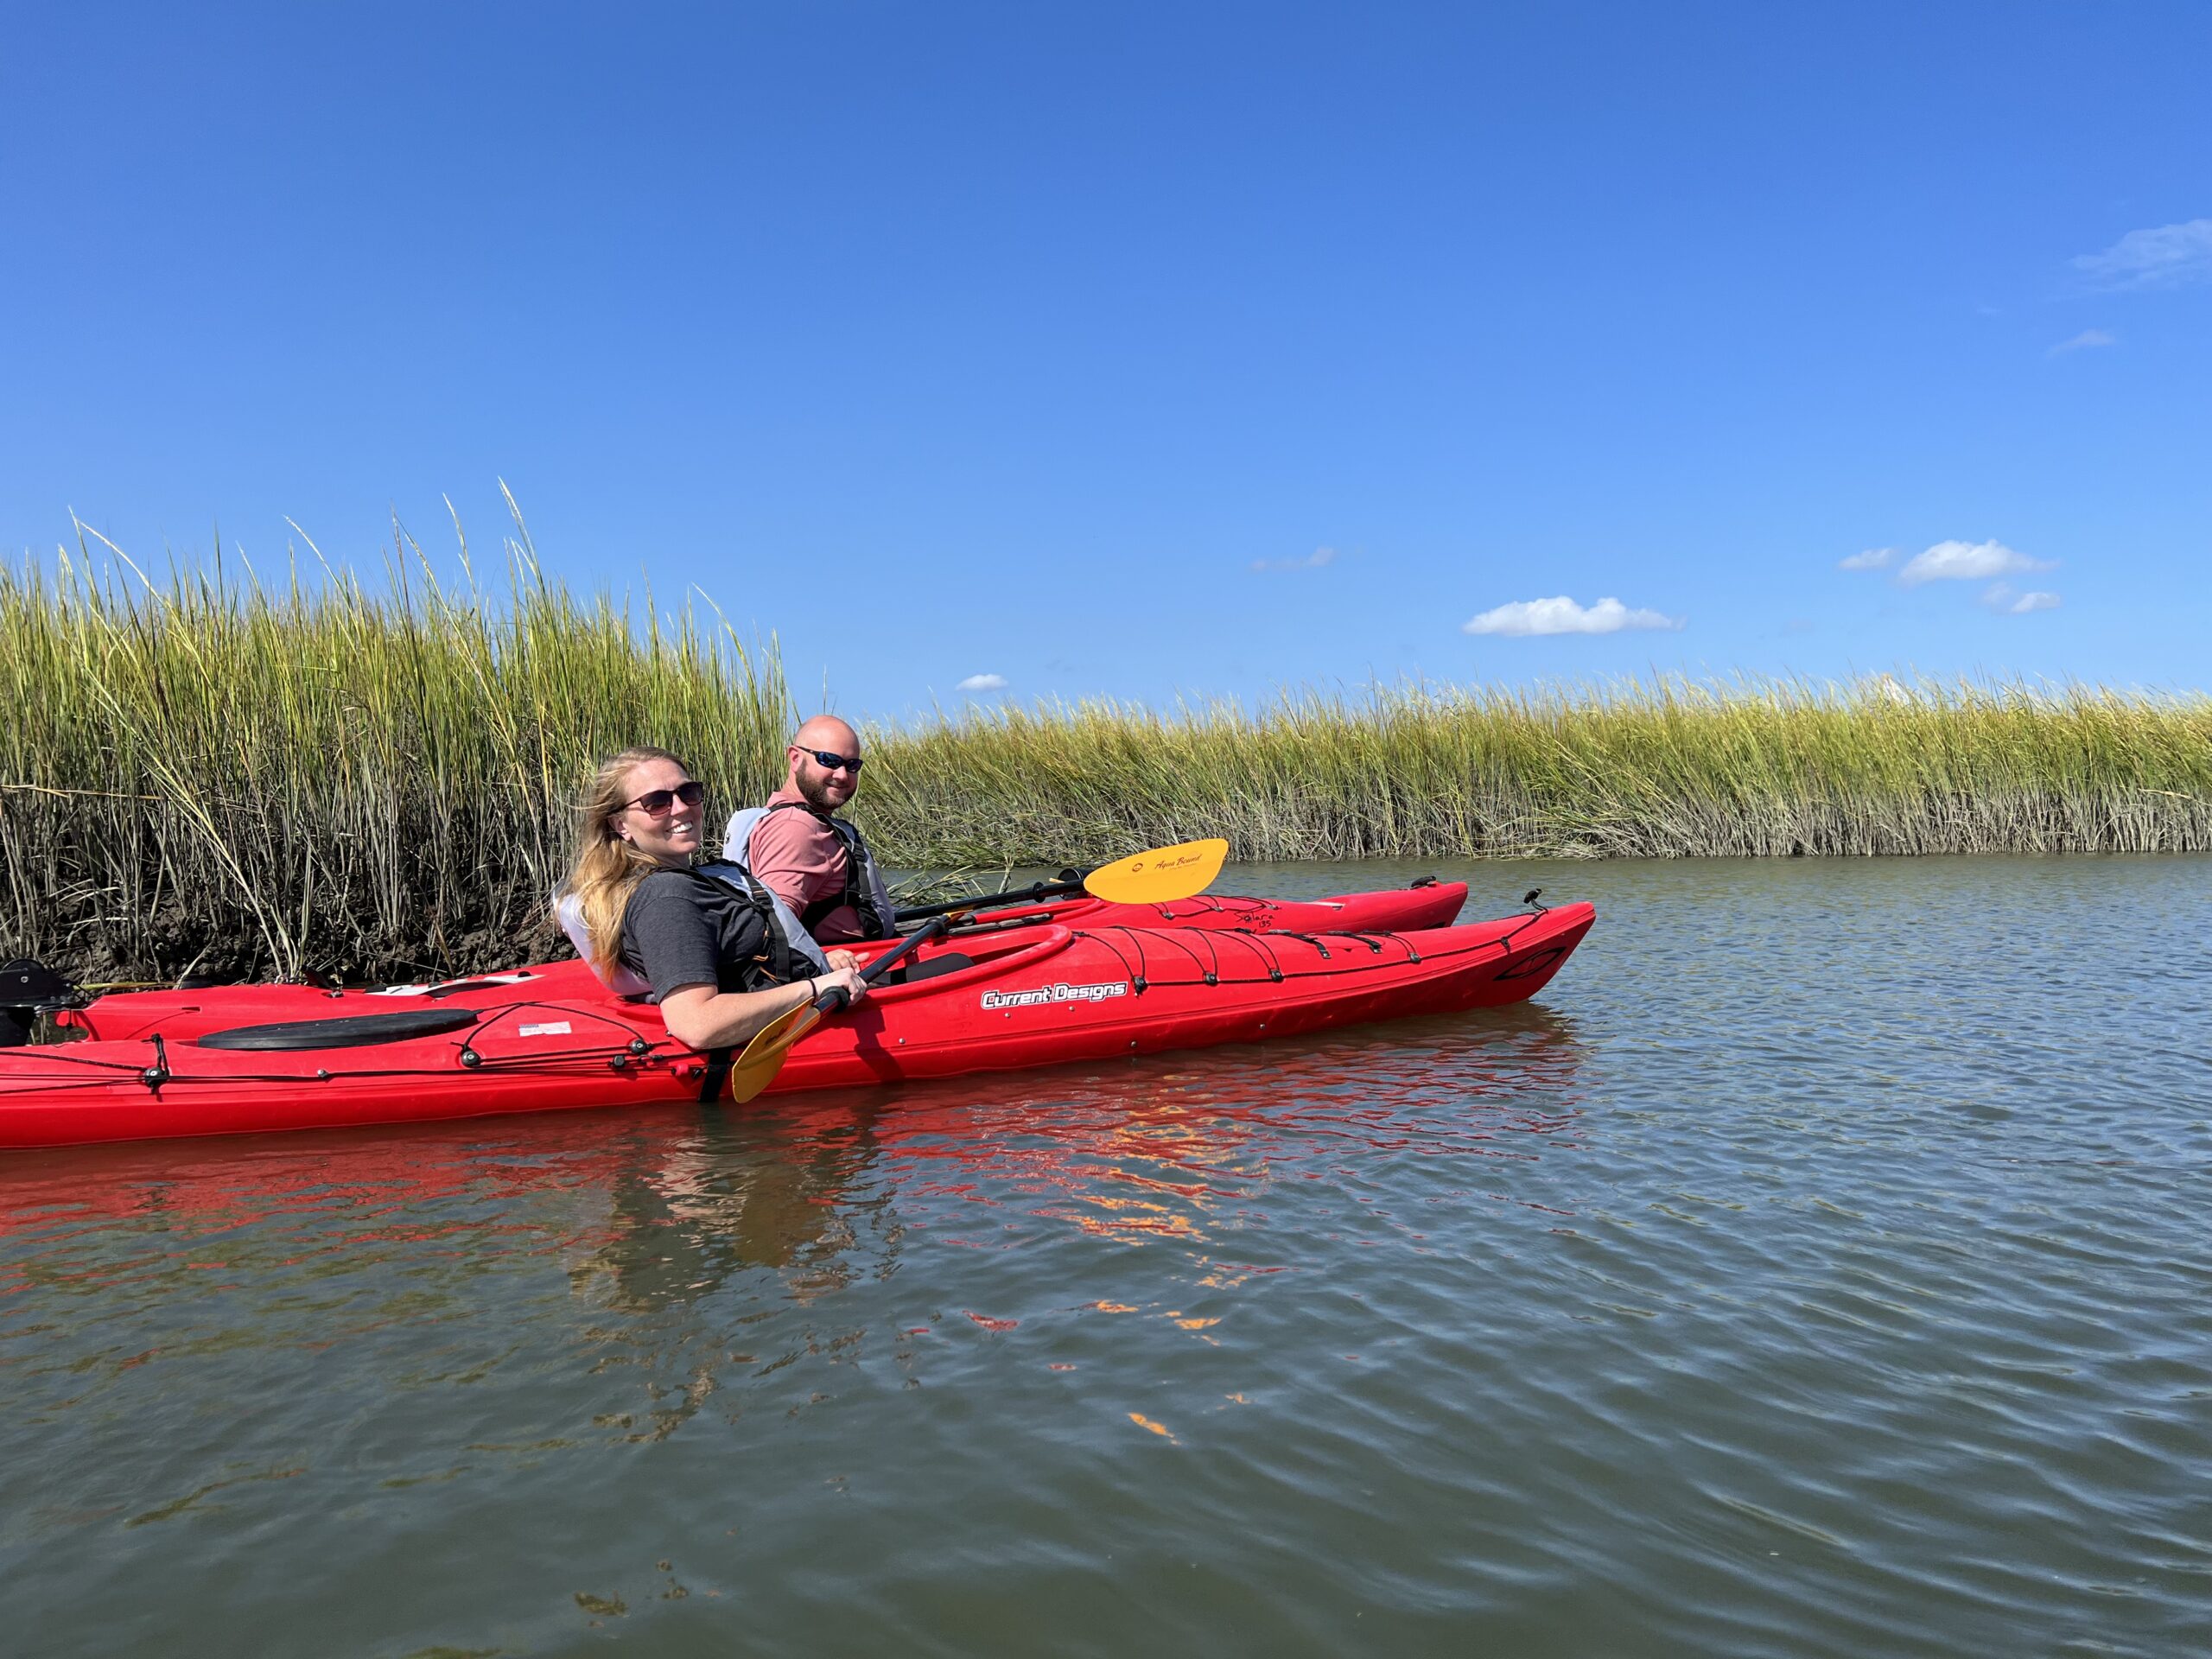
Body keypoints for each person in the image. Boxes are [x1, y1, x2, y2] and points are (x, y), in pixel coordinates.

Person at [556, 747, 866, 1052]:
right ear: (620, 825)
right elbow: (696, 1024)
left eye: (688, 792)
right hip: (799, 1036)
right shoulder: (667, 897)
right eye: (657, 802)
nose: (680, 808)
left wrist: (813, 964)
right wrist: (814, 987)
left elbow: (727, 961)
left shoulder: (680, 883)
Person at [722, 715, 899, 946]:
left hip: (867, 950)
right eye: (829, 760)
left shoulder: (791, 818)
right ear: (795, 758)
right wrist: (827, 960)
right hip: (850, 962)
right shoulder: (796, 827)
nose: (842, 775)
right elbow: (772, 931)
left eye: (852, 765)